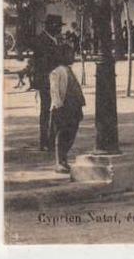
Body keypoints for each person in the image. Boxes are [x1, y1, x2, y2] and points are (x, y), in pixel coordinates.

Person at [49, 44, 86, 173]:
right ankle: (59, 161)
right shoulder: (57, 72)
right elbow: (55, 91)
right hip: (63, 108)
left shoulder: (69, 70)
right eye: (70, 54)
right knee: (62, 134)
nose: (73, 56)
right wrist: (57, 107)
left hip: (73, 108)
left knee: (71, 133)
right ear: (63, 56)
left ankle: (64, 159)